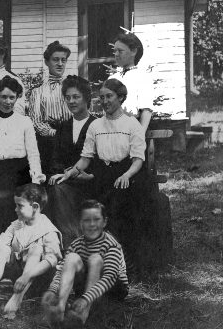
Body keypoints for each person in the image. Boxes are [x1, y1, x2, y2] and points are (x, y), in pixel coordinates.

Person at [57, 78, 149, 272]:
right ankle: (98, 259)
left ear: (121, 97)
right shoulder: (96, 126)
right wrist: (70, 173)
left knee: (121, 204)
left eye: (110, 96)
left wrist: (126, 175)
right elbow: (85, 158)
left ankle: (126, 261)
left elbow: (138, 159)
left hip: (129, 173)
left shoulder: (132, 124)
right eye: (102, 97)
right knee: (97, 205)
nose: (105, 101)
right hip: (103, 174)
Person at [0, 184, 62, 320]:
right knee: (3, 248)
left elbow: (51, 260)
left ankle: (16, 300)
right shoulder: (18, 224)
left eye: (20, 206)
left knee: (35, 249)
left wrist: (26, 276)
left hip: (38, 280)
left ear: (35, 207)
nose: (15, 209)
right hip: (18, 278)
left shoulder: (48, 230)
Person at [0, 76, 45, 236]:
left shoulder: (25, 122)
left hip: (19, 173)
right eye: (3, 97)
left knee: (20, 205)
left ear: (17, 97)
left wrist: (36, 179)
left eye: (12, 97)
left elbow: (33, 154)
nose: (8, 101)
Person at [42, 200, 128, 328]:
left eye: (96, 219)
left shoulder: (111, 244)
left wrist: (86, 298)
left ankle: (82, 315)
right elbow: (61, 270)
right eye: (87, 220)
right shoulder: (76, 244)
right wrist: (53, 289)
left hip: (112, 289)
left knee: (95, 259)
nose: (92, 224)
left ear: (104, 222)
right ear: (80, 223)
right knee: (71, 257)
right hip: (87, 287)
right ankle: (60, 308)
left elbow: (109, 277)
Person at [46, 76, 96, 244]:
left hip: (91, 179)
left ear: (86, 98)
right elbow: (55, 158)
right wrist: (62, 173)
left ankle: (73, 243)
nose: (71, 101)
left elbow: (102, 159)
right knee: (56, 188)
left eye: (76, 97)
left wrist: (86, 174)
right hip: (67, 180)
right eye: (68, 98)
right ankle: (68, 241)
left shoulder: (97, 125)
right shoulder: (63, 127)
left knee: (60, 190)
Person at [27, 41, 73, 176]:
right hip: (49, 143)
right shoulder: (38, 92)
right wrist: (55, 133)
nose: (60, 64)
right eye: (55, 60)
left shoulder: (72, 88)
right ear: (47, 62)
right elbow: (36, 122)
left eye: (63, 60)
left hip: (71, 139)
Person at [108, 32, 153, 131]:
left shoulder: (142, 77)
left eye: (120, 51)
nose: (116, 54)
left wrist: (139, 138)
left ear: (133, 51)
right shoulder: (112, 78)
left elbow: (146, 111)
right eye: (115, 51)